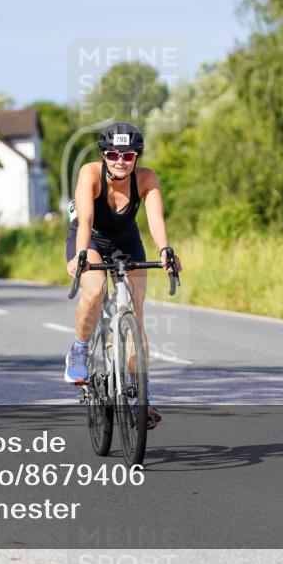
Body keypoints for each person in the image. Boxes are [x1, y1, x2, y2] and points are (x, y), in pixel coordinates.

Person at [64, 122, 181, 427]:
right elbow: (85, 220)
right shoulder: (90, 173)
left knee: (135, 315)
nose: (120, 161)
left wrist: (165, 251)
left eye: (128, 155)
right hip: (89, 238)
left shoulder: (146, 178)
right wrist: (80, 256)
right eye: (113, 154)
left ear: (136, 157)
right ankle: (79, 350)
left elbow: (155, 220)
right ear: (103, 155)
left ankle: (142, 394)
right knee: (96, 290)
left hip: (127, 242)